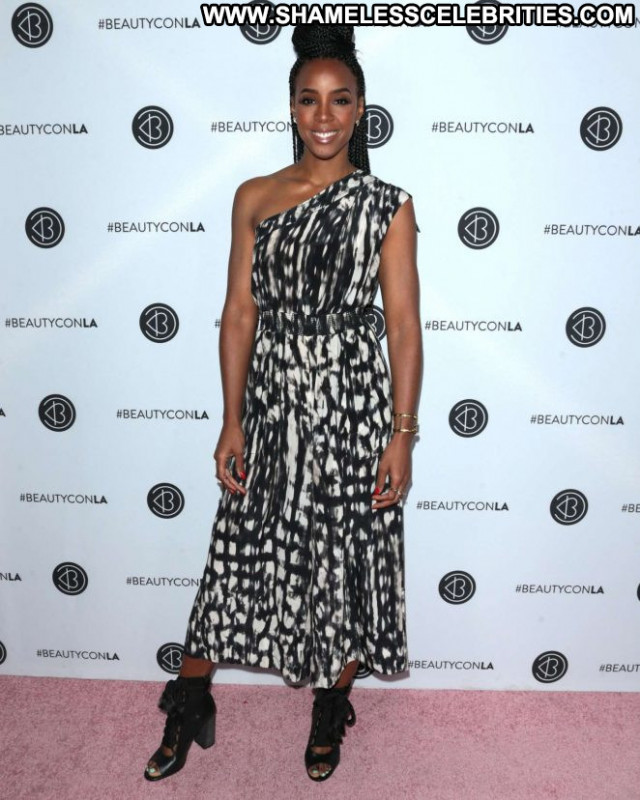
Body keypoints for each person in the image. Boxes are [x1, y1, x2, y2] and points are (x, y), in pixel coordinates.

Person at [144, 23, 422, 783]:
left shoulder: (387, 205)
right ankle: (189, 700)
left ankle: (330, 706)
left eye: (340, 99)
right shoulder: (255, 196)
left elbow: (402, 326)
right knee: (235, 556)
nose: (324, 115)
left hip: (354, 407)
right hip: (272, 405)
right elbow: (240, 314)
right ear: (291, 107)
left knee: (347, 558)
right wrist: (232, 419)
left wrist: (401, 434)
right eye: (309, 99)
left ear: (361, 108)